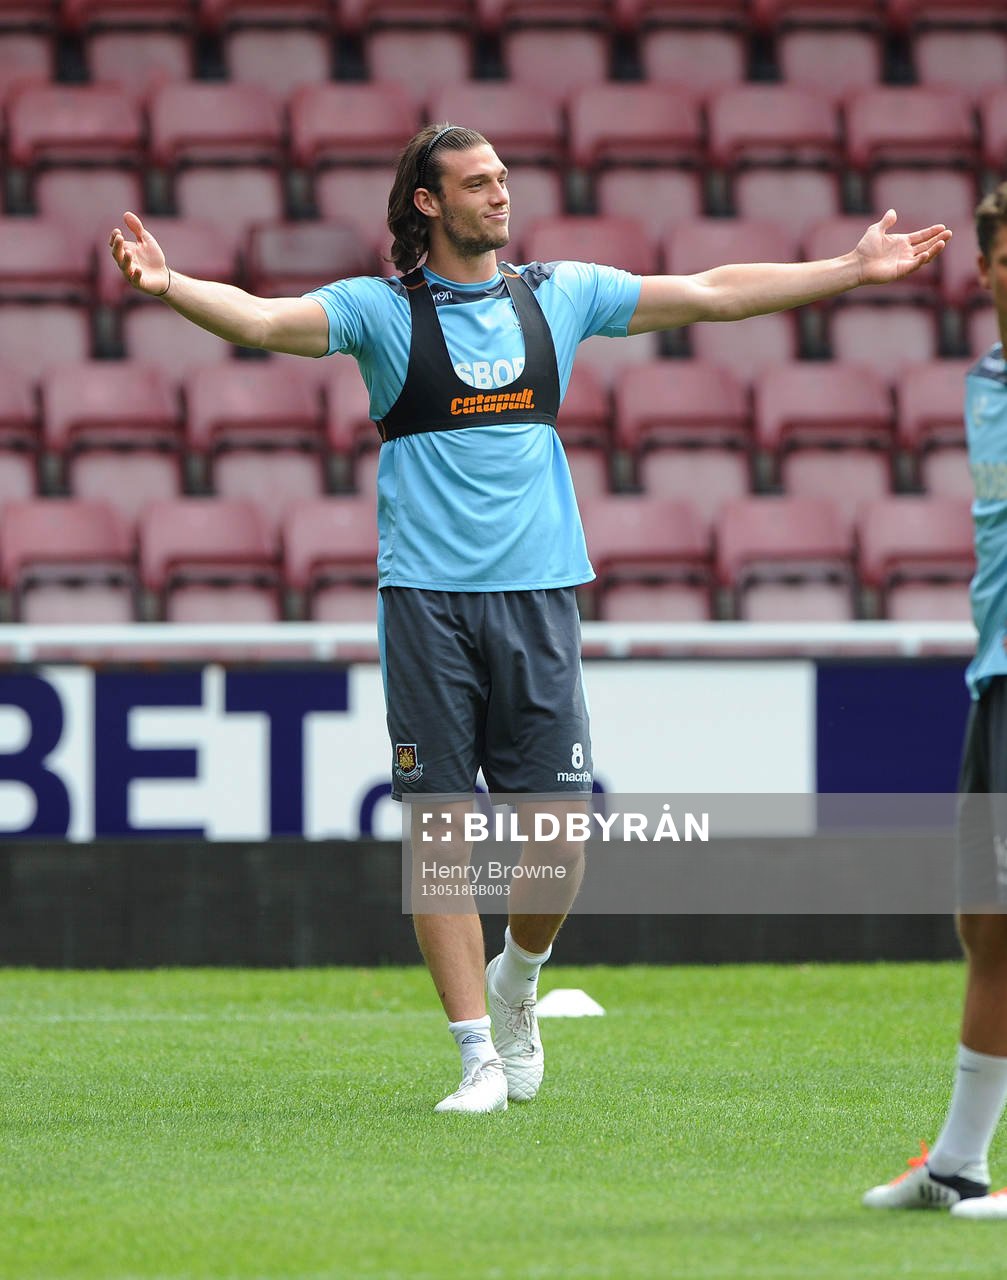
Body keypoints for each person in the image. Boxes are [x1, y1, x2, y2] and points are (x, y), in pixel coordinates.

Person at [109, 122, 950, 1115]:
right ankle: (477, 1058)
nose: (499, 194)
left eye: (502, 177)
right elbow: (262, 319)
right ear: (427, 202)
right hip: (425, 603)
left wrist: (848, 270)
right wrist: (171, 285)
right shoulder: (379, 312)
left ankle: (518, 977)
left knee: (558, 839)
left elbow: (712, 291)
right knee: (439, 838)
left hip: (539, 597)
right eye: (476, 182)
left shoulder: (559, 293)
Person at [863, 184, 1007, 1219]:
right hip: (993, 671)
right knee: (985, 924)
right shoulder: (984, 381)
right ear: (985, 268)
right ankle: (957, 1160)